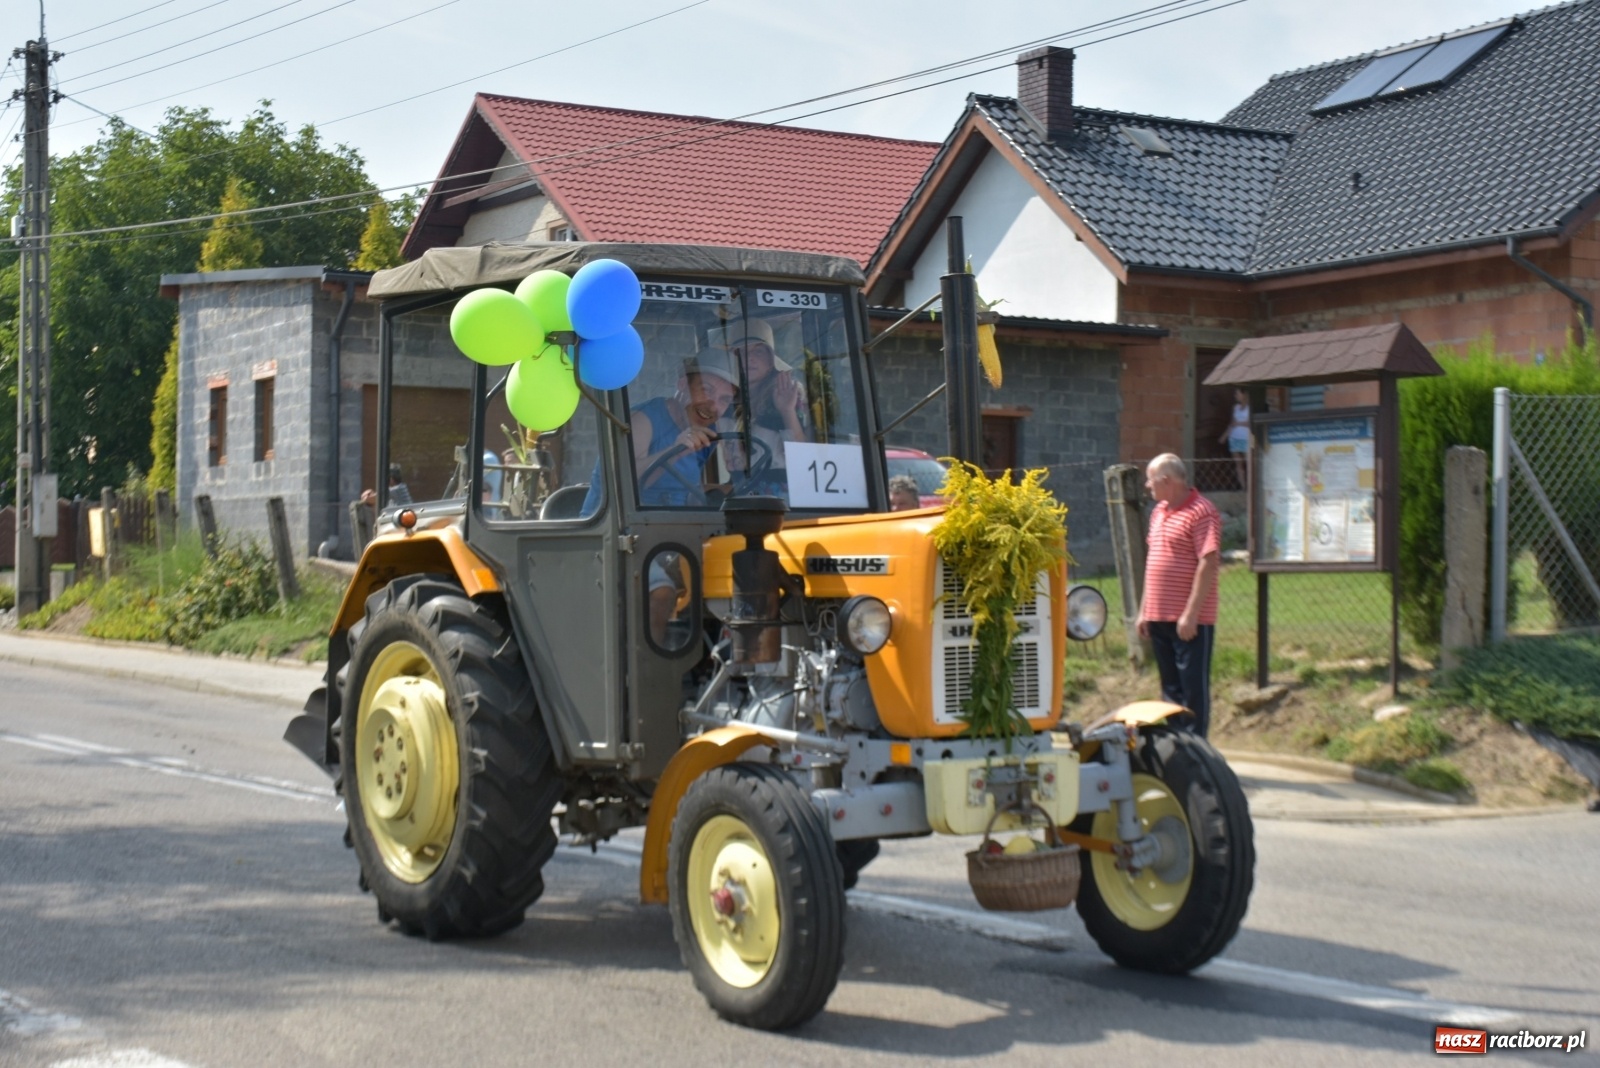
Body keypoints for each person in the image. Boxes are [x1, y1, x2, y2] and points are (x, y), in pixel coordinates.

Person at [1137, 453, 1221, 736]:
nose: (1148, 487)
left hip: (1188, 621)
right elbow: (1154, 561)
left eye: (1150, 481)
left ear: (1166, 481)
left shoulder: (1202, 511)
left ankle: (1196, 748)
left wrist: (1191, 614)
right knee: (1170, 689)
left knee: (1192, 689)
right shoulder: (1158, 512)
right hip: (1159, 616)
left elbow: (1208, 562)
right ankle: (1176, 742)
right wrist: (1143, 610)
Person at [723, 317, 806, 492]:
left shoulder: (787, 392)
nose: (749, 359)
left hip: (779, 491)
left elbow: (801, 455)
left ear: (770, 361)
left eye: (758, 352)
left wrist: (787, 410)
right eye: (742, 353)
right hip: (739, 488)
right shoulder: (723, 398)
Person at [1220, 388, 1251, 490]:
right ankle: (1243, 486)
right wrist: (1225, 435)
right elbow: (1232, 423)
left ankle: (1251, 485)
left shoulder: (1250, 408)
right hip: (1234, 438)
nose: (1235, 395)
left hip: (1245, 438)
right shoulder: (1235, 408)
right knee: (1238, 464)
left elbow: (1250, 423)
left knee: (1249, 462)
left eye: (1237, 393)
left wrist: (1239, 423)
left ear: (1244, 394)